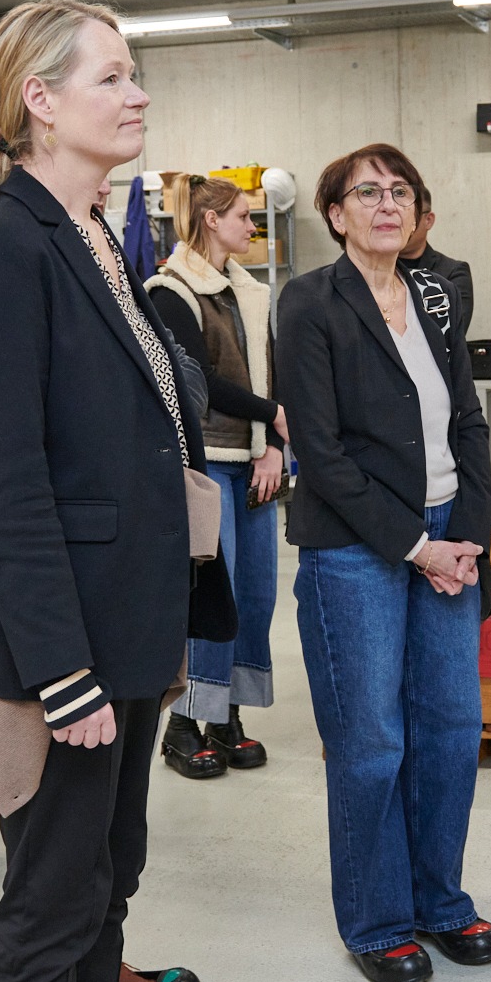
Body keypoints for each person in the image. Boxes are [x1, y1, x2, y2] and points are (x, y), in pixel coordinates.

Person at [0, 0, 235, 982]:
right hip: (64, 655)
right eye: (111, 76)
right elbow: (5, 490)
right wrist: (62, 674)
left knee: (108, 876)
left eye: (134, 72)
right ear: (42, 102)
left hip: (126, 634)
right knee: (50, 905)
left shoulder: (94, 238)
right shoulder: (5, 256)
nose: (137, 91)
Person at [276, 143, 491, 982]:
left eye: (400, 191)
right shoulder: (310, 303)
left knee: (450, 730)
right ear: (335, 214)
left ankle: (439, 900)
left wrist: (467, 538)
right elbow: (323, 456)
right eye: (366, 192)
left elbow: (469, 424)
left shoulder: (434, 299)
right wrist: (416, 546)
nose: (385, 204)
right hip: (357, 548)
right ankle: (375, 920)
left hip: (450, 536)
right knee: (371, 740)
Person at [145, 173, 288, 778]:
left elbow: (270, 371)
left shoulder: (249, 292)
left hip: (254, 460)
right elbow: (196, 381)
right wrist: (273, 416)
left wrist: (275, 446)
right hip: (206, 465)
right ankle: (182, 724)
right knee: (211, 598)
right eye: (241, 217)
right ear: (209, 220)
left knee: (255, 595)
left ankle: (226, 715)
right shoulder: (170, 289)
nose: (251, 227)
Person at [398, 184, 474, 337]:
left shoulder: (453, 272)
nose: (401, 224)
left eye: (410, 216)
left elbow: (451, 334)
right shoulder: (377, 271)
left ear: (429, 220)